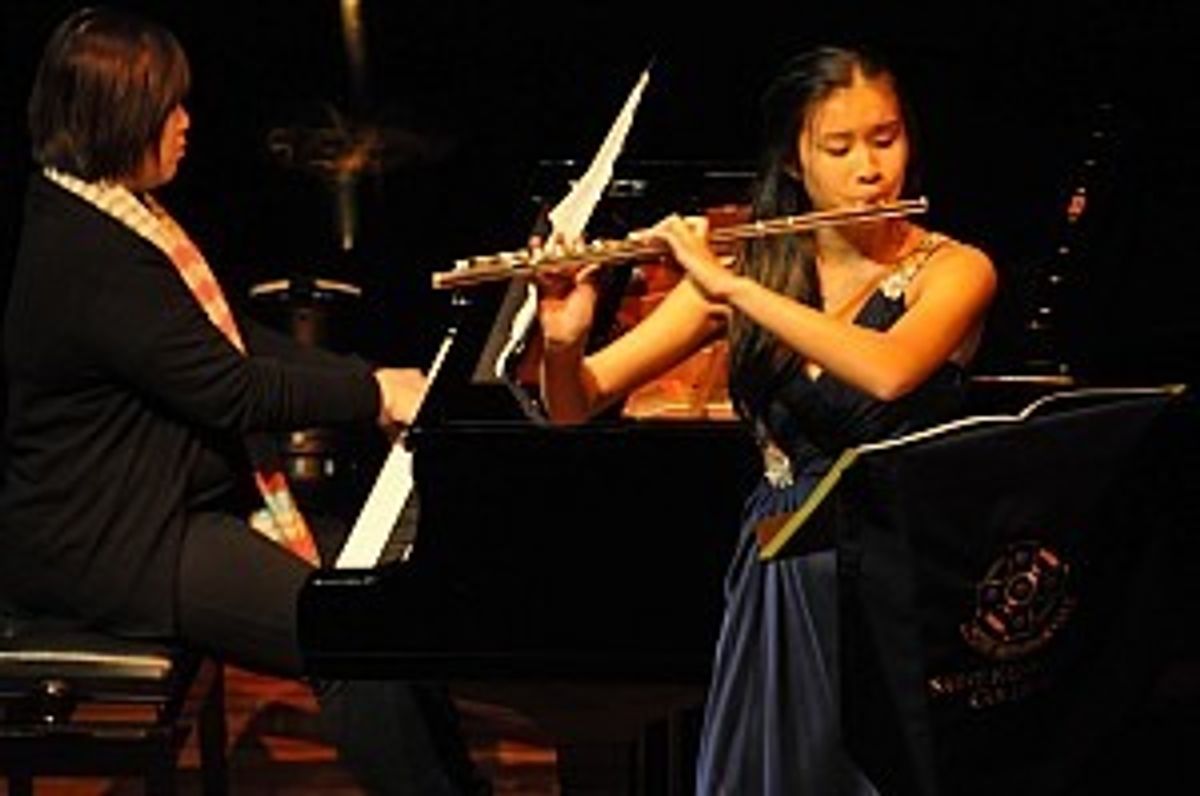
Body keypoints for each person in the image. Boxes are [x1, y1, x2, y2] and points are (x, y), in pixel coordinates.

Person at [0, 7, 487, 795]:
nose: (187, 123)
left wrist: (374, 378)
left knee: (387, 595)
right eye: (169, 107)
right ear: (120, 119)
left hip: (168, 515)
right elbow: (230, 389)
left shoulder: (115, 215)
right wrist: (370, 392)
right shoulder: (87, 252)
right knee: (350, 631)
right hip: (110, 546)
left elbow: (235, 336)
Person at [536, 46, 997, 793]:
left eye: (885, 139)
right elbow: (575, 405)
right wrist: (563, 342)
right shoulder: (752, 267)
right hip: (782, 565)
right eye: (839, 148)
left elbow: (889, 370)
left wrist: (733, 292)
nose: (870, 169)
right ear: (793, 159)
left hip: (902, 571)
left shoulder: (954, 268)